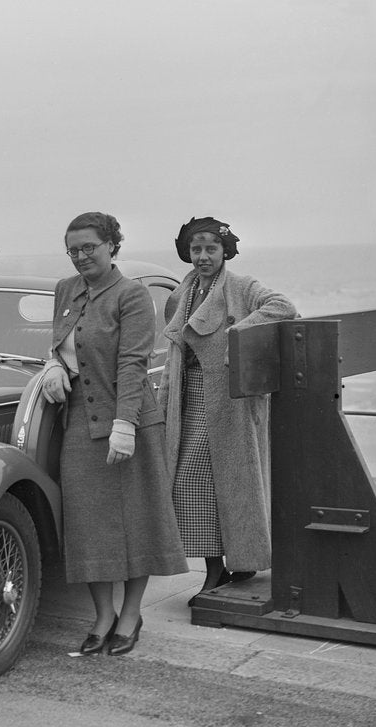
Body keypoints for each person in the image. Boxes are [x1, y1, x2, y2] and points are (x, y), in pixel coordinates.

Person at [41, 212, 187, 656]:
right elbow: (62, 342)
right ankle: (102, 615)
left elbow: (132, 363)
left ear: (112, 246)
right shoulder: (66, 289)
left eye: (90, 247)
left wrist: (124, 425)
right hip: (81, 425)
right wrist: (51, 364)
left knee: (135, 523)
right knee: (89, 527)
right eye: (74, 249)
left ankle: (130, 614)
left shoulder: (133, 295)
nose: (81, 256)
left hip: (131, 424)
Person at [158, 217, 297, 603]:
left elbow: (284, 306)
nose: (202, 256)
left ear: (224, 252)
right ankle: (226, 565)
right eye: (196, 249)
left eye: (210, 249)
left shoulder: (241, 286)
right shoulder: (181, 293)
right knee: (195, 484)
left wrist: (239, 335)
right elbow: (176, 353)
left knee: (210, 482)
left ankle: (222, 570)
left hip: (231, 401)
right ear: (188, 252)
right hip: (189, 396)